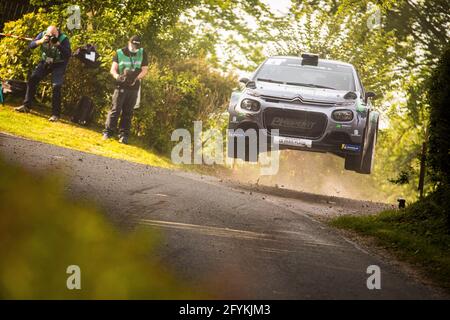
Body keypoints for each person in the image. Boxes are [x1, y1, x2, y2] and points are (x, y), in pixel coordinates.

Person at [15, 26, 71, 122]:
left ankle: (55, 115)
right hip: (46, 61)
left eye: (54, 35)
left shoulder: (64, 39)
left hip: (59, 64)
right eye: (50, 35)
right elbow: (30, 45)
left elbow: (68, 54)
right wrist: (40, 41)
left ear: (58, 33)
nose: (51, 37)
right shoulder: (42, 34)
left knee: (56, 86)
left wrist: (58, 45)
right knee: (32, 79)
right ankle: (26, 106)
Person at [103, 35, 149, 144]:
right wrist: (117, 76)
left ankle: (123, 135)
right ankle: (108, 132)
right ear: (129, 43)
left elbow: (145, 70)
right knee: (115, 109)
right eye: (133, 45)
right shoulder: (119, 52)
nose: (135, 47)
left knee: (128, 112)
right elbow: (113, 69)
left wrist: (135, 78)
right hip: (121, 85)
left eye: (137, 45)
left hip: (134, 86)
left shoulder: (142, 52)